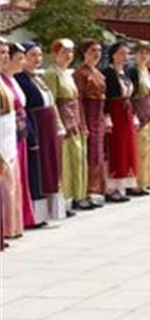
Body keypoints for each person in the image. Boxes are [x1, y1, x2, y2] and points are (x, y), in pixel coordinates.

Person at [17, 43, 65, 220]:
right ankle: (36, 212)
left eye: (39, 56)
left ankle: (48, 211)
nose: (37, 60)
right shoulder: (20, 80)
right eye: (32, 56)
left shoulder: (38, 78)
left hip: (47, 128)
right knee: (38, 169)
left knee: (49, 167)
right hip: (36, 127)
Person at [48, 39, 92, 211]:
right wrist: (59, 125)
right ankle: (65, 199)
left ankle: (78, 195)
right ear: (55, 54)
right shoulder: (52, 74)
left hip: (76, 121)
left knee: (78, 159)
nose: (68, 56)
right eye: (64, 52)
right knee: (66, 161)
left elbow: (76, 100)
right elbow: (52, 101)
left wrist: (82, 123)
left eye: (70, 52)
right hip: (65, 122)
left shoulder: (68, 73)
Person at [102, 41, 141, 200]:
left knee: (127, 148)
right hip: (115, 113)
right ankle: (111, 188)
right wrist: (107, 117)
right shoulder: (108, 73)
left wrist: (133, 115)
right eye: (121, 54)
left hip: (126, 113)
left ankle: (123, 186)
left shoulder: (126, 73)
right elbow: (106, 98)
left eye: (127, 54)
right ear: (113, 55)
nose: (125, 57)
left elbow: (131, 96)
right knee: (115, 148)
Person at [74, 39, 108, 204]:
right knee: (89, 154)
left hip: (99, 116)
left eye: (99, 50)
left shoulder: (99, 73)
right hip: (87, 113)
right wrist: (82, 122)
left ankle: (96, 189)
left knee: (98, 153)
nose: (96, 54)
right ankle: (85, 191)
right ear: (84, 53)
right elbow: (78, 100)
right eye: (92, 50)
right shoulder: (80, 73)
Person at [128, 43, 150, 193]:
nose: (143, 56)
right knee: (139, 150)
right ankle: (135, 183)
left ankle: (146, 181)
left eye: (147, 53)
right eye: (140, 53)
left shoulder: (148, 71)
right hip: (139, 115)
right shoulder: (132, 72)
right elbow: (130, 96)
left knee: (149, 149)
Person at [0, 41, 24, 239]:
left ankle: (11, 227)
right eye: (1, 53)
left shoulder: (4, 80)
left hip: (9, 135)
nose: (5, 56)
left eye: (7, 53)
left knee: (11, 184)